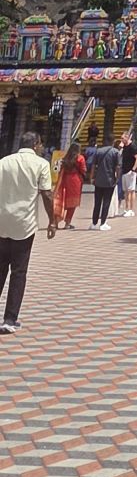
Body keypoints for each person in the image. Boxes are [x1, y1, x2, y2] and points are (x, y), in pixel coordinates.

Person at [0, 132, 56, 333]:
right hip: (24, 225)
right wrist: (52, 221)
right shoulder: (41, 164)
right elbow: (47, 194)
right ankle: (9, 319)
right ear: (36, 145)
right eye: (40, 145)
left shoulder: (3, 162)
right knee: (19, 272)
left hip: (2, 223)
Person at [89, 139, 121, 231]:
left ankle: (94, 223)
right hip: (109, 180)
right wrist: (117, 178)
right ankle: (103, 223)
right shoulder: (115, 152)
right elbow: (118, 166)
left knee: (97, 202)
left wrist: (91, 177)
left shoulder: (98, 151)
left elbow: (93, 165)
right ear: (112, 142)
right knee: (106, 202)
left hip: (98, 180)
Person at [55, 142, 86, 229]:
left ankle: (56, 221)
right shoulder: (80, 158)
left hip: (65, 180)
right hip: (75, 181)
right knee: (72, 203)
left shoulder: (65, 158)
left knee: (63, 201)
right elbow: (83, 170)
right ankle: (67, 223)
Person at [120, 136, 137, 218]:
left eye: (123, 138)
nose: (121, 140)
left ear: (127, 138)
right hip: (124, 171)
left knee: (130, 190)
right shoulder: (124, 147)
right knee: (126, 191)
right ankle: (126, 208)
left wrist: (133, 169)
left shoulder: (132, 147)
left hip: (130, 171)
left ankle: (131, 209)